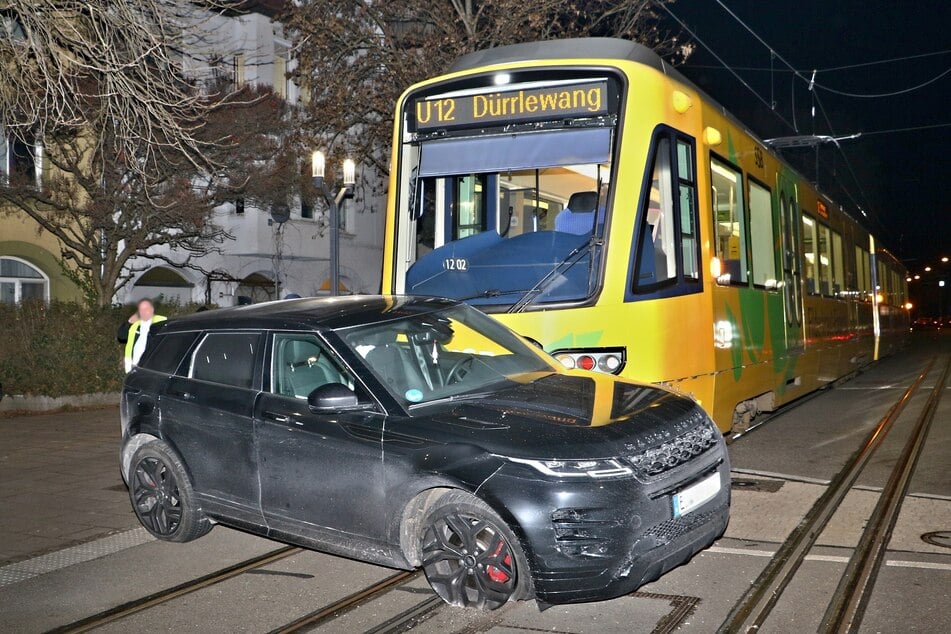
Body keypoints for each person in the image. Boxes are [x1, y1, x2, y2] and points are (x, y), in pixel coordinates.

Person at [117, 298, 167, 373]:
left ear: (152, 310)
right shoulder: (136, 325)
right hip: (133, 367)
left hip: (151, 368)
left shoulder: (161, 322)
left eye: (146, 308)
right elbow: (121, 336)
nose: (143, 311)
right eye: (141, 309)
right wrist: (129, 322)